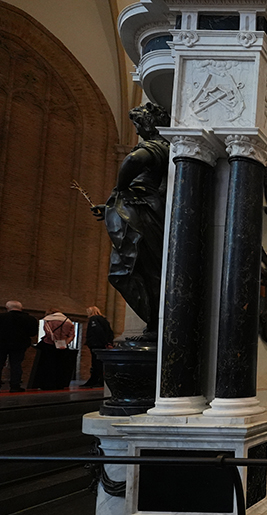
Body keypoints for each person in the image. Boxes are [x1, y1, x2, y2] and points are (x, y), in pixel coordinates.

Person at [92, 102, 170, 338]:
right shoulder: (164, 146)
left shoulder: (156, 145)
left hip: (143, 211)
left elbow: (134, 160)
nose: (136, 130)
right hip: (141, 208)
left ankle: (156, 324)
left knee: (143, 268)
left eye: (138, 124)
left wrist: (120, 189)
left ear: (149, 124)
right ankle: (154, 322)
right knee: (137, 269)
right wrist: (110, 205)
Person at [0, 300, 39, 393]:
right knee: (16, 365)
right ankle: (15, 386)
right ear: (21, 308)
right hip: (19, 345)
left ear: (7, 308)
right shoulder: (29, 319)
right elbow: (33, 333)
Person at [34, 308, 76, 391]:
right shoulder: (68, 321)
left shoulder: (48, 320)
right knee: (61, 366)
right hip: (63, 347)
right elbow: (72, 335)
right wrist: (64, 343)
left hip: (49, 345)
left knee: (48, 365)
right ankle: (60, 384)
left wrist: (55, 341)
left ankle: (47, 384)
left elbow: (49, 333)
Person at [82, 305, 114, 387]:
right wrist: (109, 342)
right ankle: (98, 380)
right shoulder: (104, 320)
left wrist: (105, 342)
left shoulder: (94, 319)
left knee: (96, 363)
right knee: (100, 363)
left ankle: (97, 380)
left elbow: (98, 331)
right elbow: (110, 332)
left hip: (96, 344)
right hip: (102, 344)